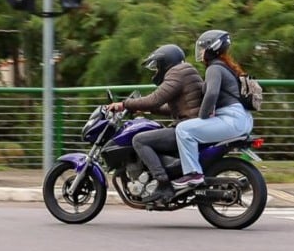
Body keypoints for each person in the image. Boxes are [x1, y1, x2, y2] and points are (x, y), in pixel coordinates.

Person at [108, 44, 204, 201]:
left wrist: (124, 104)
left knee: (139, 140)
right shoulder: (186, 71)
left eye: (157, 66)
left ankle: (163, 184)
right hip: (193, 125)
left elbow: (154, 99)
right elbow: (175, 107)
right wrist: (148, 111)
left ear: (166, 63)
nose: (157, 71)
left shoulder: (176, 73)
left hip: (186, 127)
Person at [171, 29, 255, 190]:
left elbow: (212, 93)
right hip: (242, 118)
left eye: (202, 48)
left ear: (212, 48)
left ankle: (193, 173)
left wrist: (202, 117)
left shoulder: (214, 68)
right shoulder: (226, 67)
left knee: (183, 129)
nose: (200, 52)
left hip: (231, 119)